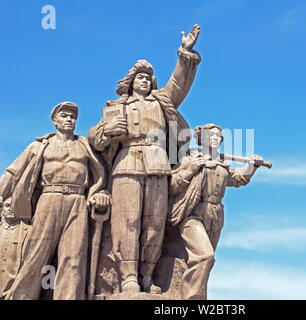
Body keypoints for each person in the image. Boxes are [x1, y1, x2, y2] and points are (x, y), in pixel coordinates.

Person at [88, 24, 201, 293]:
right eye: (139, 77)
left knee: (154, 222)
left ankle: (148, 275)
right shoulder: (117, 107)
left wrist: (185, 53)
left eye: (148, 77)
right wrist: (107, 131)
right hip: (126, 165)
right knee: (126, 223)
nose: (144, 80)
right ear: (130, 81)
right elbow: (95, 138)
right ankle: (128, 276)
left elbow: (178, 83)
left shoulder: (162, 101)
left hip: (158, 164)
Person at [0, 102, 110, 300]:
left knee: (73, 259)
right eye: (65, 116)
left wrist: (99, 193)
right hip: (49, 198)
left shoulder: (84, 145)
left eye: (72, 117)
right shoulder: (40, 146)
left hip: (77, 201)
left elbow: (101, 174)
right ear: (54, 121)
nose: (69, 120)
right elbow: (13, 172)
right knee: (35, 255)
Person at [169, 123, 264, 300]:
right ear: (201, 139)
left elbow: (237, 179)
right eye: (211, 134)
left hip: (216, 215)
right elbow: (172, 186)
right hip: (193, 215)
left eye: (218, 136)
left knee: (207, 262)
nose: (215, 138)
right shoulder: (191, 159)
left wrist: (252, 166)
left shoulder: (221, 164)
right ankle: (192, 298)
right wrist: (190, 170)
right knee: (205, 255)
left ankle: (195, 295)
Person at [0, 197, 31, 299]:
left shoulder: (29, 231)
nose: (10, 209)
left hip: (15, 290)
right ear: (2, 209)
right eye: (7, 205)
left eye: (14, 205)